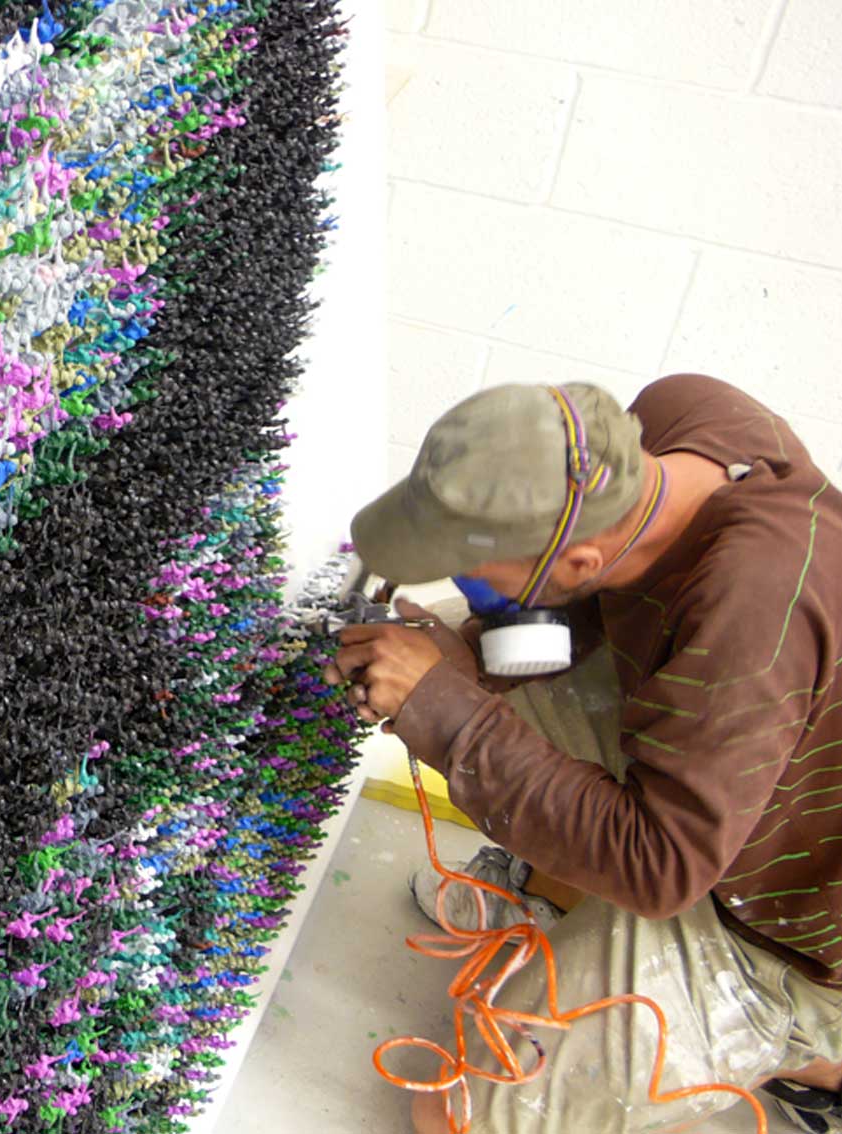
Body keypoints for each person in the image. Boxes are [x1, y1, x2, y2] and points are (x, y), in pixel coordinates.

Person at [326, 377, 842, 1134]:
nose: (457, 577)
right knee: (446, 655)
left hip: (786, 930)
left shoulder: (751, 613)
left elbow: (659, 866)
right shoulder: (681, 419)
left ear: (579, 559)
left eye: (469, 562)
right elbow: (591, 613)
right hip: (731, 791)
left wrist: (449, 712)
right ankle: (560, 891)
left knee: (455, 1114)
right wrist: (468, 664)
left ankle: (807, 1047)